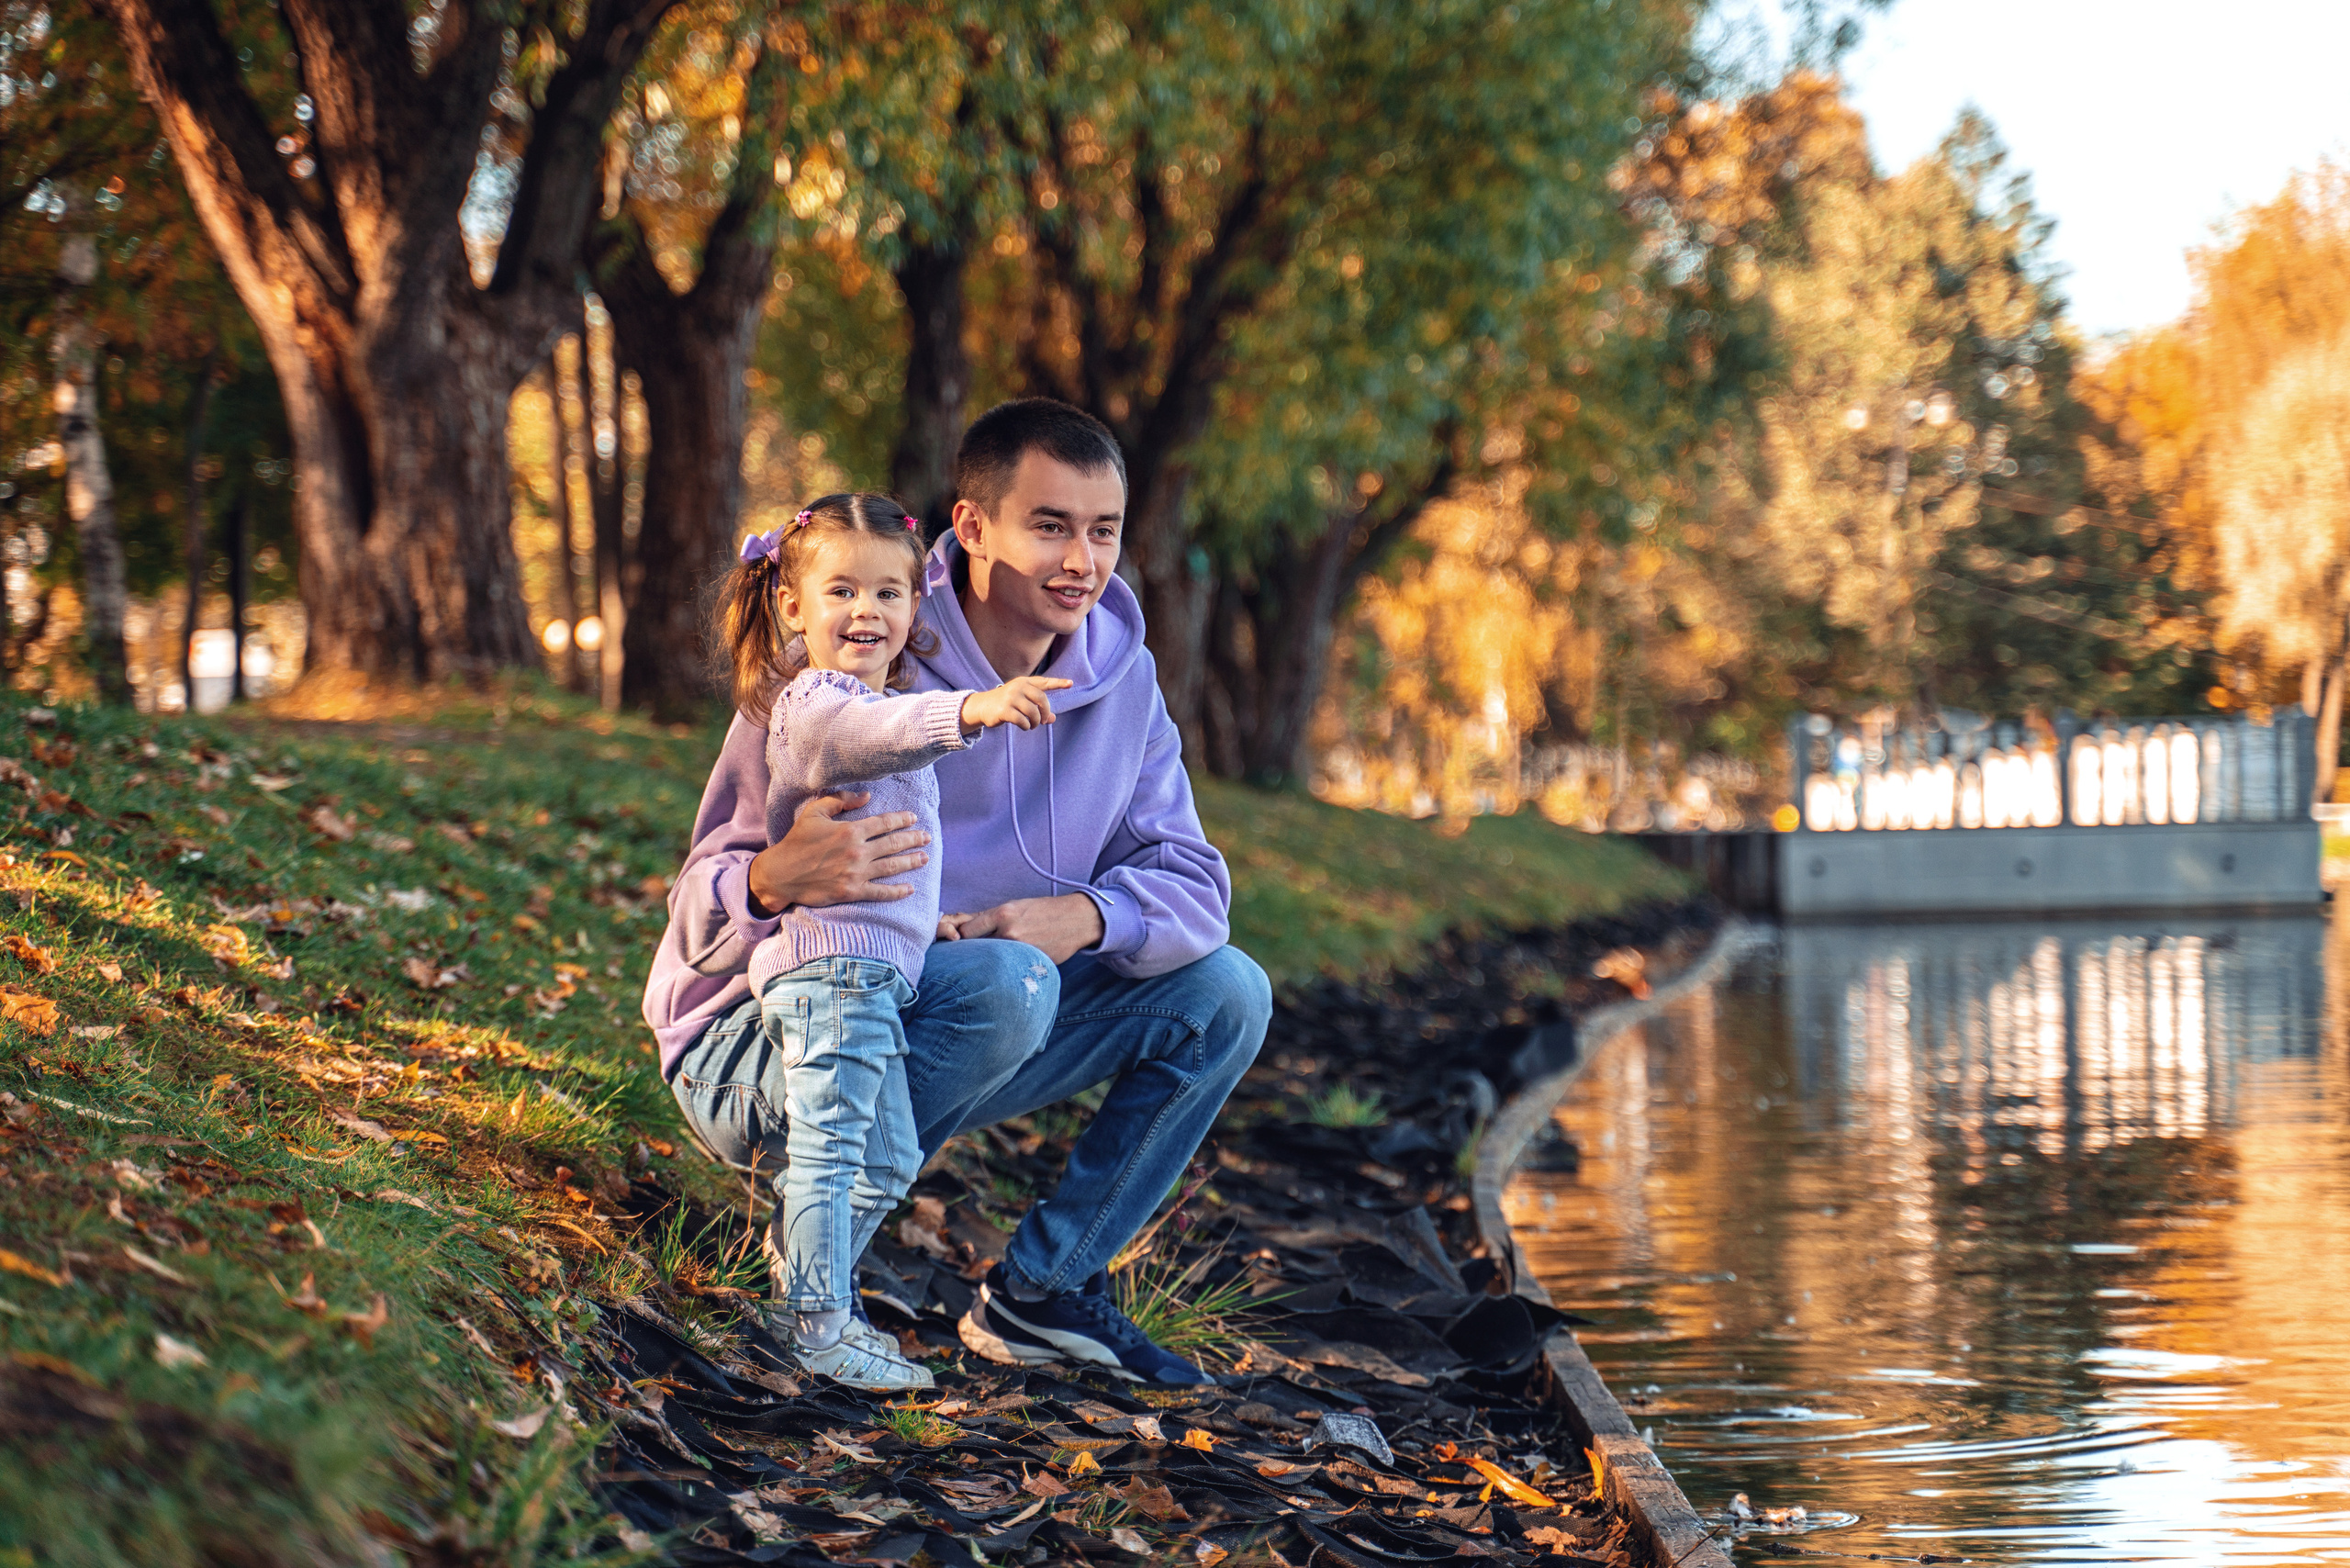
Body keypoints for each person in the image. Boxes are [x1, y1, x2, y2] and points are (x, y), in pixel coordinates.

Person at [644, 398, 1271, 1387]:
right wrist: (773, 880)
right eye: (1050, 526)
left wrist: (1086, 917)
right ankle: (815, 1260)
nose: (1081, 560)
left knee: (1224, 993)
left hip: (963, 1004)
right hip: (763, 1042)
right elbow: (694, 914)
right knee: (1008, 983)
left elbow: (1195, 882)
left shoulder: (1126, 681)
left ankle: (1044, 1292)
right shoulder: (859, 640)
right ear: (971, 528)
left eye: (1101, 530)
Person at [708, 490, 1072, 1392]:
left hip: (869, 971)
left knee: (886, 1159)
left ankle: (806, 1276)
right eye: (840, 593)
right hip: (829, 975)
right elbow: (867, 734)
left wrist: (931, 922)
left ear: (915, 608)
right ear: (793, 607)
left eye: (887, 595)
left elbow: (889, 842)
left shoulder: (879, 705)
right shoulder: (816, 702)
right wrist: (973, 712)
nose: (865, 612)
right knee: (837, 1152)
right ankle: (819, 1326)